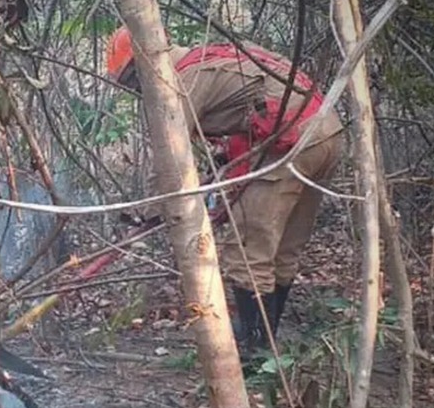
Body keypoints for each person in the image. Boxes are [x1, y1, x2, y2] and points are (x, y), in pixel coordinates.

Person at [103, 25, 345, 360]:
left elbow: (168, 157)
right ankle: (265, 336)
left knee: (246, 251)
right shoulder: (207, 58)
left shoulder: (180, 81)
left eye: (131, 80)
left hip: (291, 143)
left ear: (144, 63)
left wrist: (150, 212)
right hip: (327, 131)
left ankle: (257, 350)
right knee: (284, 248)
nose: (134, 89)